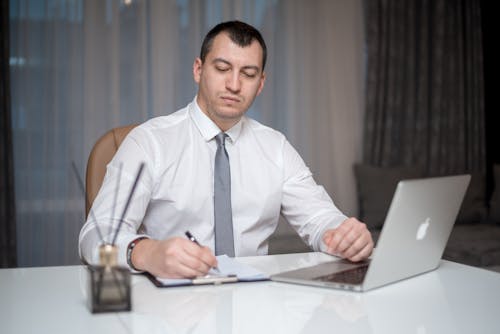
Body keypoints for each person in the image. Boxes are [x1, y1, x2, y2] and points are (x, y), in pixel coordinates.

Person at [79, 20, 373, 279]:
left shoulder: (276, 148)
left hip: (255, 305)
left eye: (248, 73)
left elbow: (319, 218)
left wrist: (342, 234)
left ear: (260, 84)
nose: (234, 84)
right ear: (198, 70)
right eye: (222, 68)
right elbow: (97, 234)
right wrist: (146, 253)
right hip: (171, 304)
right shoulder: (149, 142)